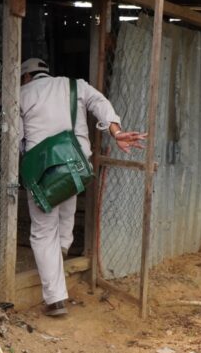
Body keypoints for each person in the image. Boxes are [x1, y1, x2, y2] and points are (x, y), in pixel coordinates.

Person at [18, 58, 146, 316]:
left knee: (43, 232)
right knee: (66, 207)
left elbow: (17, 137)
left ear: (26, 77)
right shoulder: (75, 86)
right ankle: (62, 248)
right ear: (46, 73)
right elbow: (100, 102)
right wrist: (116, 132)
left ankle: (55, 300)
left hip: (44, 174)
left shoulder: (21, 94)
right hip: (74, 168)